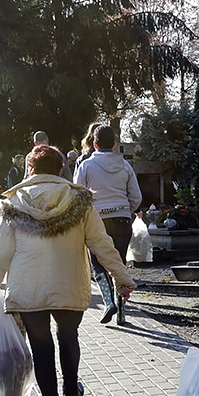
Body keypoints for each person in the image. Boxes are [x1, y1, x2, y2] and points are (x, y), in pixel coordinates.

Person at [0, 145, 136, 396]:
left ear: (30, 169)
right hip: (69, 283)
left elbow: (1, 250)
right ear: (61, 169)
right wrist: (122, 277)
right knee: (68, 337)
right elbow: (101, 242)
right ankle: (70, 391)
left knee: (41, 349)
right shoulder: (79, 200)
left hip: (28, 289)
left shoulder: (13, 202)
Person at [73, 125, 142, 325]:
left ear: (94, 144)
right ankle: (121, 313)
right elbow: (136, 197)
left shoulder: (86, 166)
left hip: (97, 221)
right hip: (122, 220)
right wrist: (125, 209)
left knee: (97, 263)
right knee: (119, 266)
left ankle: (108, 300)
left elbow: (78, 195)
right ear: (114, 144)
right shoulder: (125, 166)